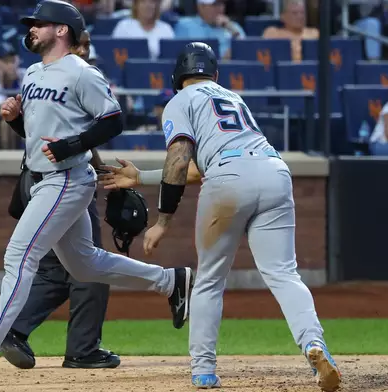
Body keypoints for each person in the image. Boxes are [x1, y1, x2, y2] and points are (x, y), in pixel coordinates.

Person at [0, 0, 192, 371]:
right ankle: (170, 281)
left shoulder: (81, 72)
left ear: (61, 30)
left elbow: (113, 121)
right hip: (43, 179)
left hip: (68, 180)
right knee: (86, 266)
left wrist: (71, 146)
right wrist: (14, 121)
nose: (32, 29)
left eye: (39, 24)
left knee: (19, 255)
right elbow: (38, 138)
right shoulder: (33, 74)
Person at [97, 42, 342, 392]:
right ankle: (314, 345)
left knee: (211, 278)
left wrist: (163, 220)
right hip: (273, 170)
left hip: (228, 179)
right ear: (214, 73)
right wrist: (142, 177)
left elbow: (180, 159)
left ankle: (203, 370)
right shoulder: (231, 97)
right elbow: (198, 166)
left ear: (177, 76)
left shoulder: (180, 100)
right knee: (285, 274)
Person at [0, 29, 120, 370]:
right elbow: (64, 139)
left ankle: (14, 329)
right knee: (90, 267)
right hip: (58, 182)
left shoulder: (53, 74)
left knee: (55, 270)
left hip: (41, 179)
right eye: (80, 44)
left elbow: (54, 135)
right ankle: (83, 348)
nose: (83, 51)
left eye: (87, 47)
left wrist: (100, 167)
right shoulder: (64, 73)